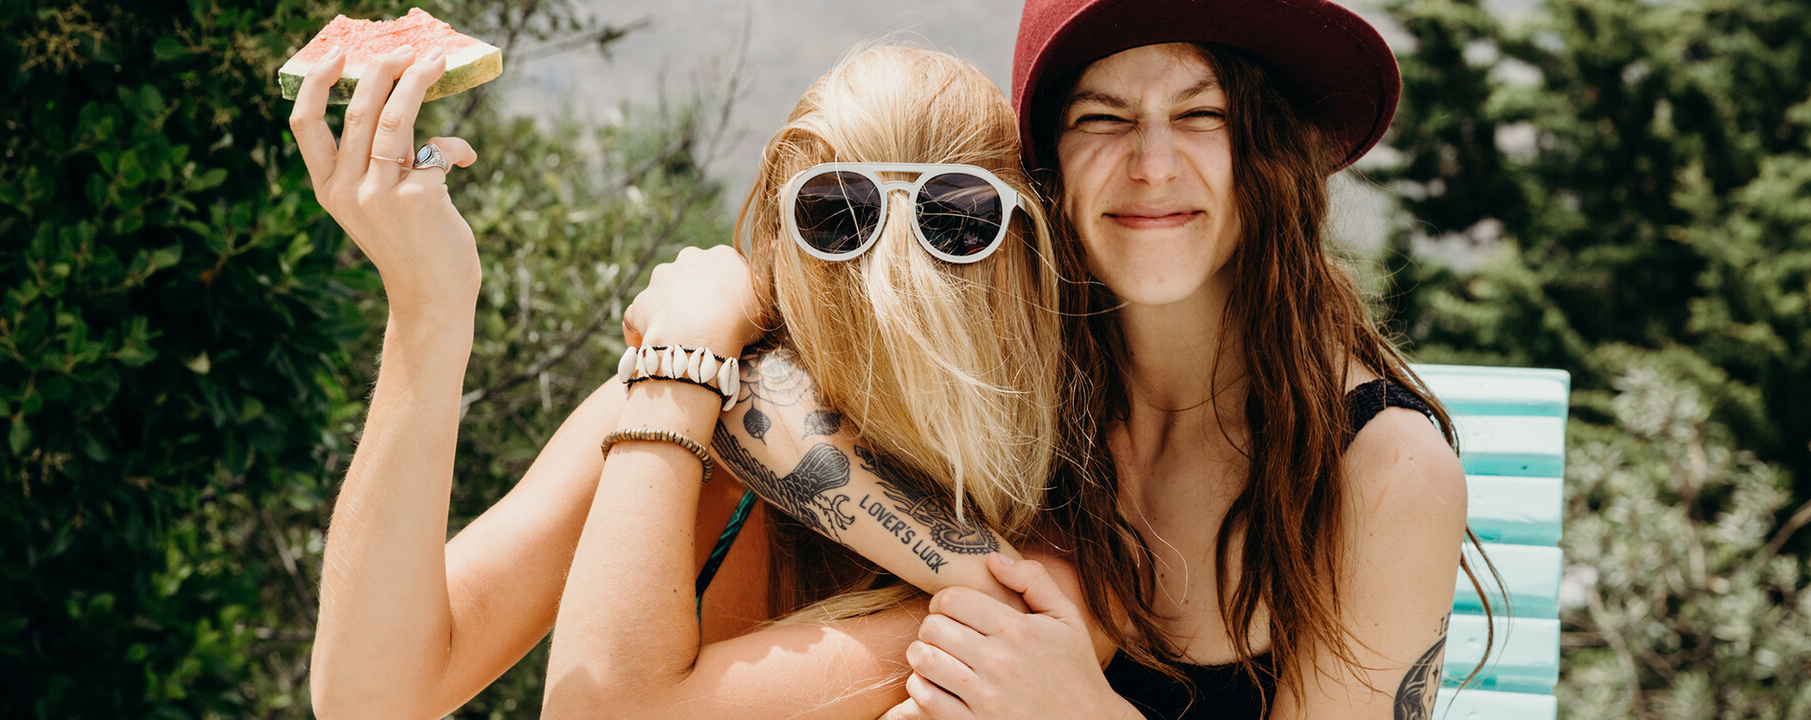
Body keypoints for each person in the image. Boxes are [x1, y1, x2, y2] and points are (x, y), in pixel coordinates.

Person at [287, 41, 1098, 719]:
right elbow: (370, 695)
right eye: (837, 215)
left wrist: (677, 369)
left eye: (958, 218)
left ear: (1034, 248)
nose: (894, 272)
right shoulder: (680, 408)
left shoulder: (1070, 517)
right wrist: (429, 310)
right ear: (778, 240)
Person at [872, 1, 1499, 719]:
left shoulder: (1385, 470)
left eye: (1204, 115)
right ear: (1050, 167)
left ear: (1270, 154)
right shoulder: (1011, 392)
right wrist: (711, 343)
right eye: (1102, 119)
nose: (1153, 166)